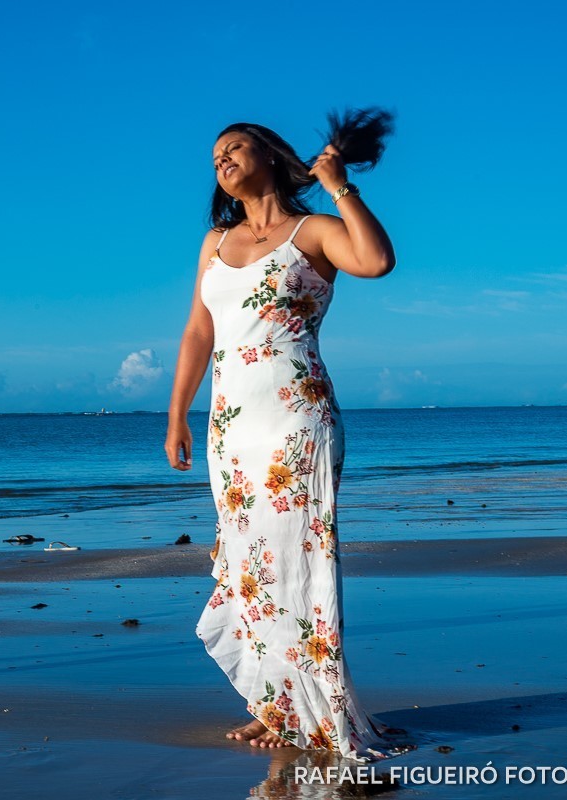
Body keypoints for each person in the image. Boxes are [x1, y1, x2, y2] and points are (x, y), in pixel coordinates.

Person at [165, 110, 410, 760]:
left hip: (295, 423)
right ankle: (275, 706)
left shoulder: (315, 230)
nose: (221, 158)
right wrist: (176, 416)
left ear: (269, 155)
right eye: (215, 153)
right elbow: (198, 331)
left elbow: (377, 260)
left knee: (297, 566)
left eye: (235, 146)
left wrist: (339, 185)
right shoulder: (215, 242)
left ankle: (315, 709)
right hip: (231, 433)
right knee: (252, 572)